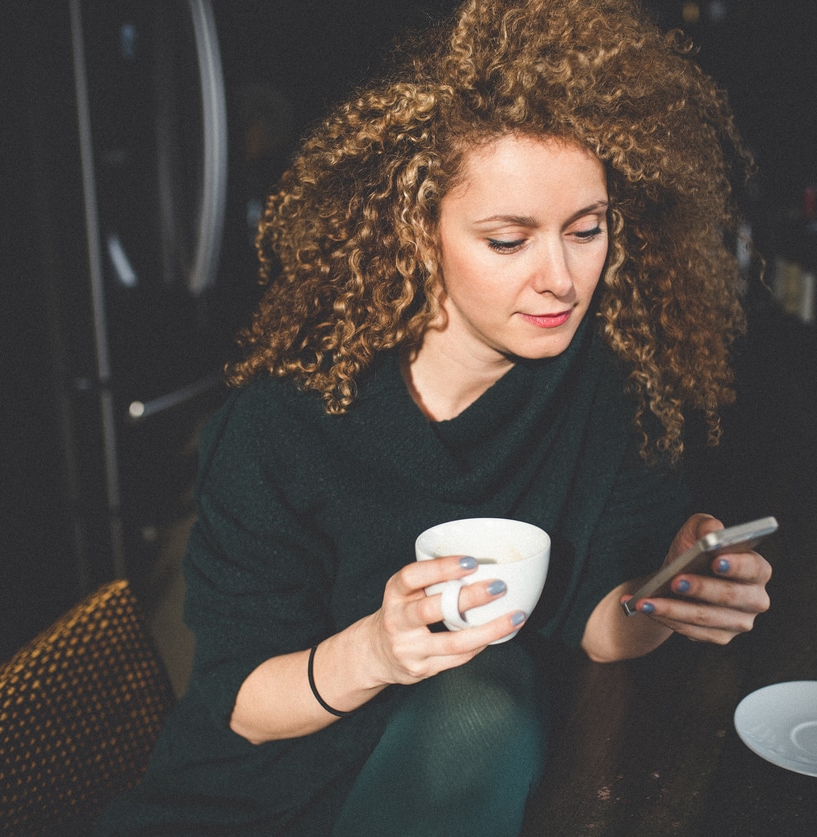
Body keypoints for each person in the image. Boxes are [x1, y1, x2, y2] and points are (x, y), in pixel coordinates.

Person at [96, 0, 771, 833]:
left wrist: (665, 598)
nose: (560, 278)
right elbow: (241, 705)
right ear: (420, 232)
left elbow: (602, 621)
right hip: (248, 803)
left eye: (586, 230)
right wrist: (376, 650)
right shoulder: (284, 423)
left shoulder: (601, 384)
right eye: (508, 240)